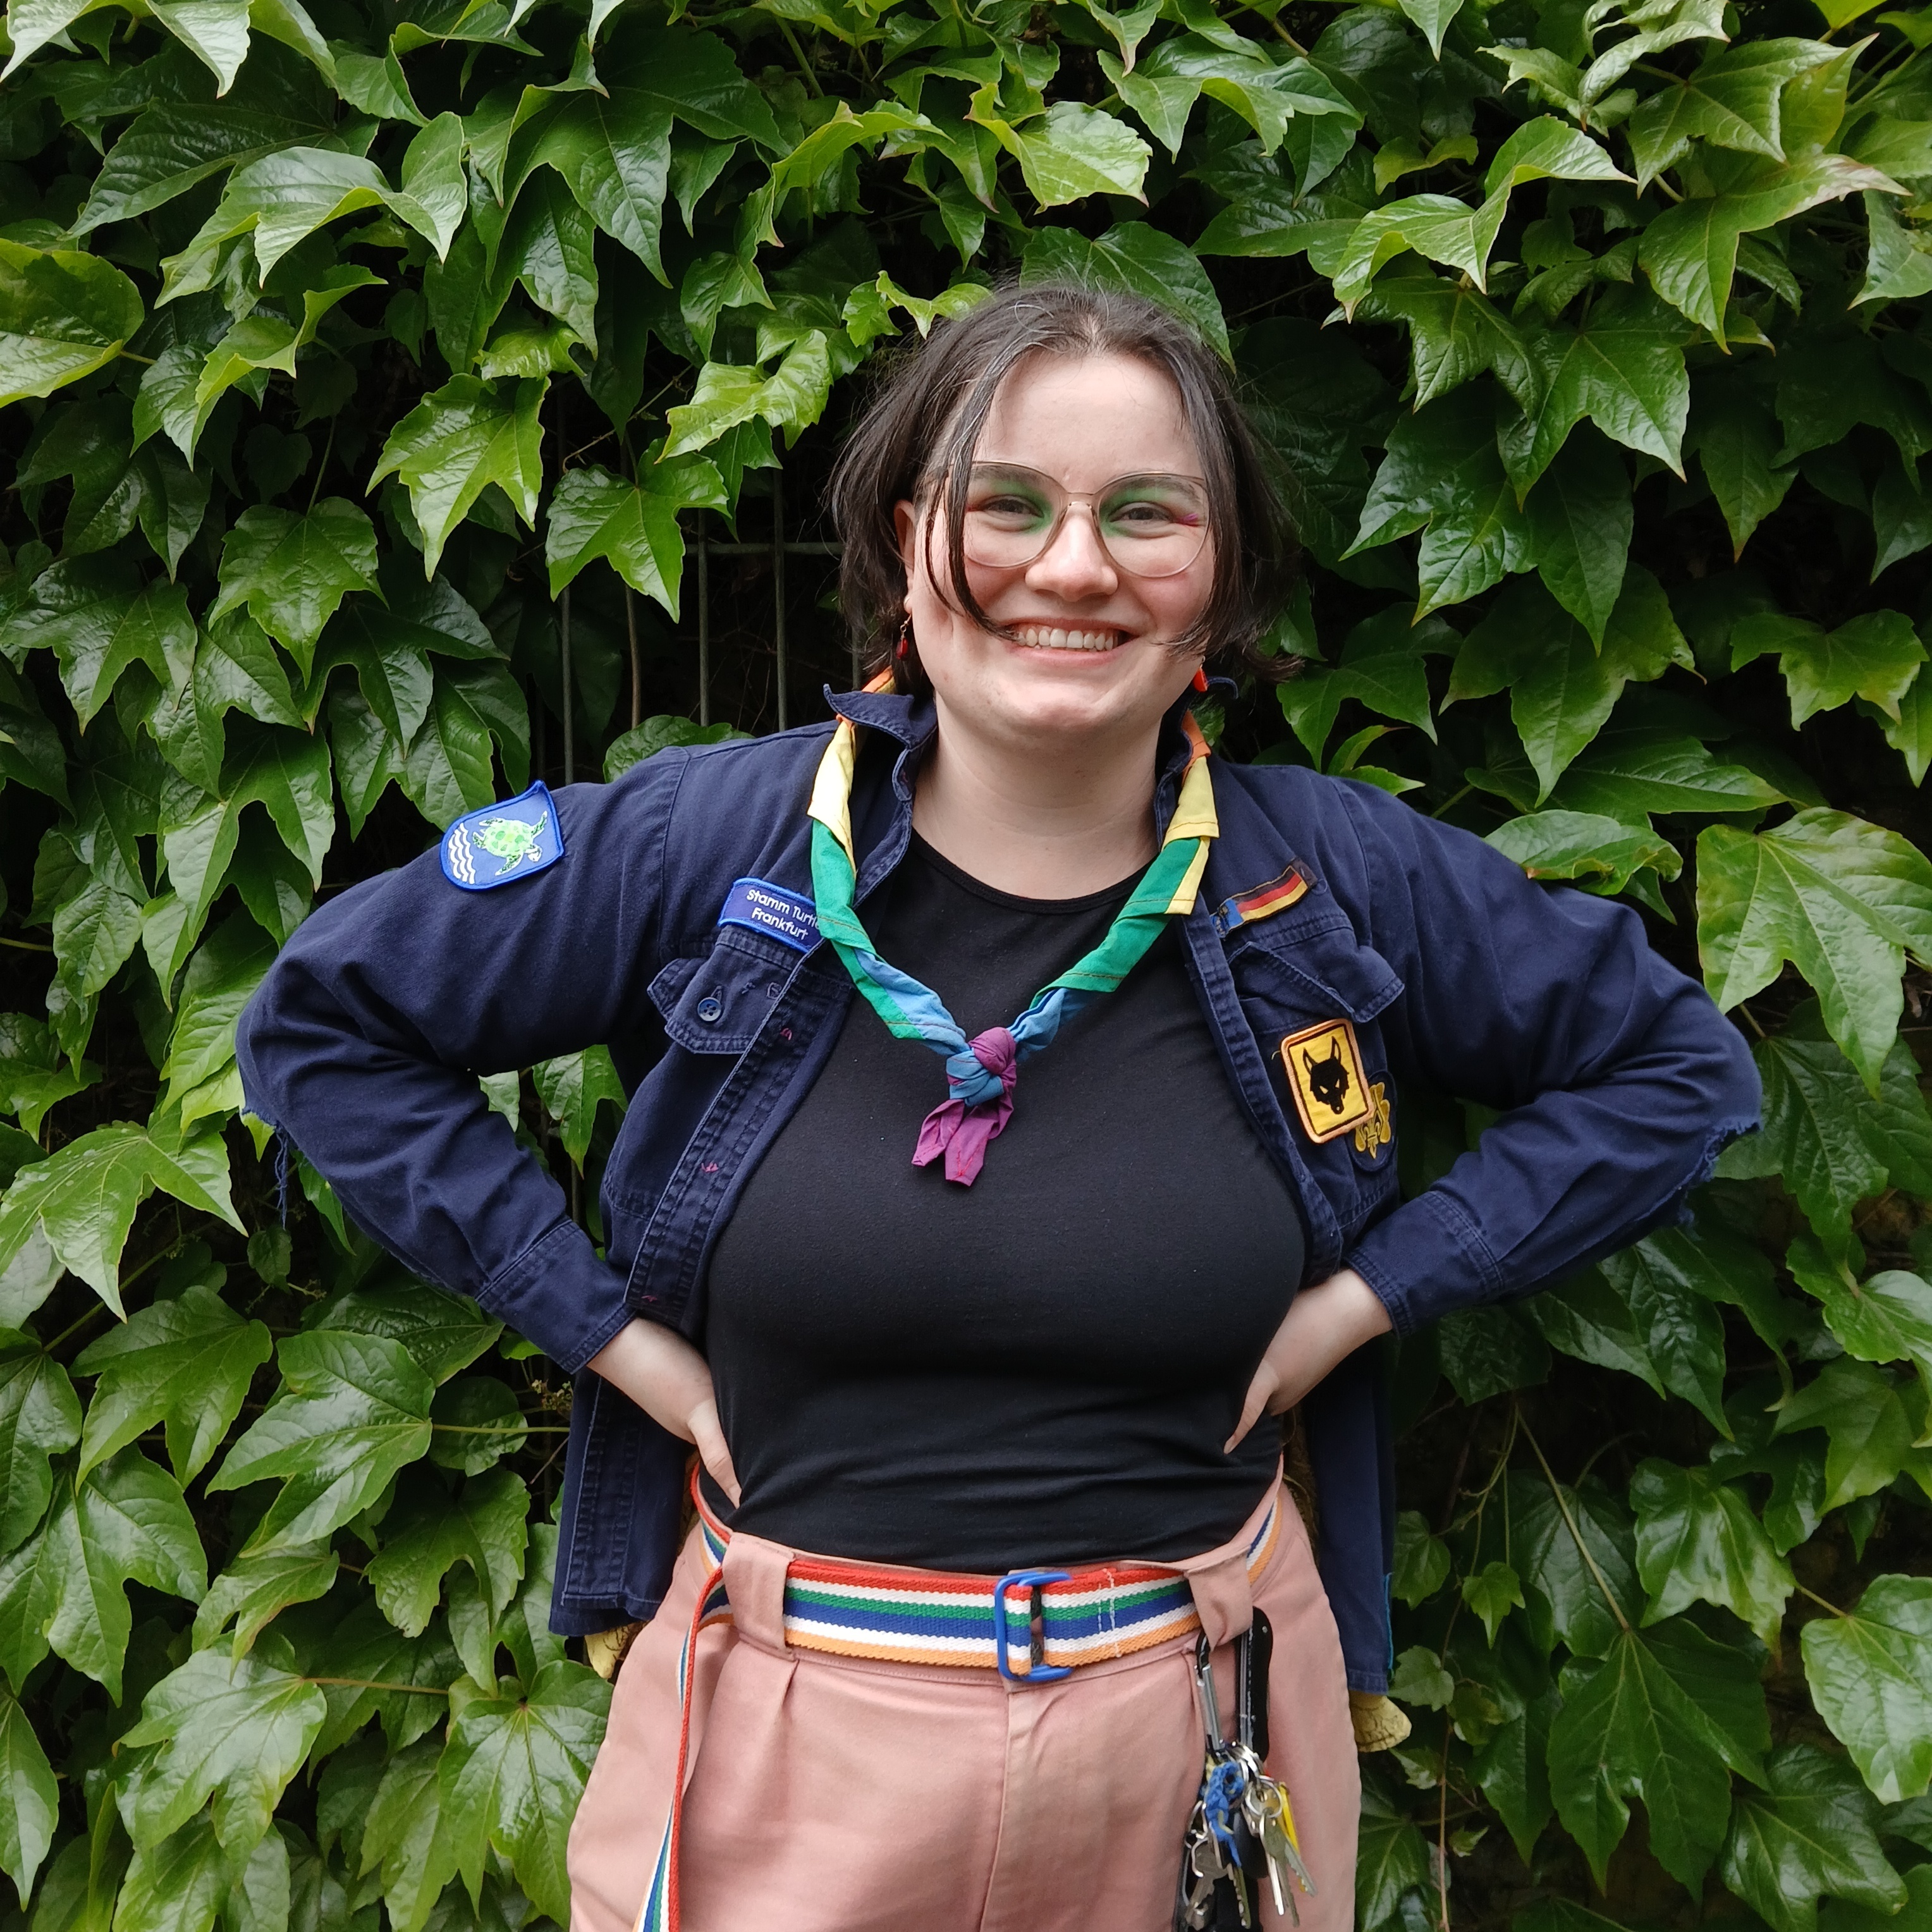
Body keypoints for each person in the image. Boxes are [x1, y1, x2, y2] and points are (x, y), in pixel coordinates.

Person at [236, 283, 1761, 1932]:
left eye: (1149, 513)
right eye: (1007, 504)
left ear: (1224, 574)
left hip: (1203, 1748)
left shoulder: (1329, 881)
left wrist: (1368, 1298)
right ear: (911, 543)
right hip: (784, 1759)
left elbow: (1678, 1072)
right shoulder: (709, 850)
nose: (1074, 566)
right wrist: (606, 1334)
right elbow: (326, 1021)